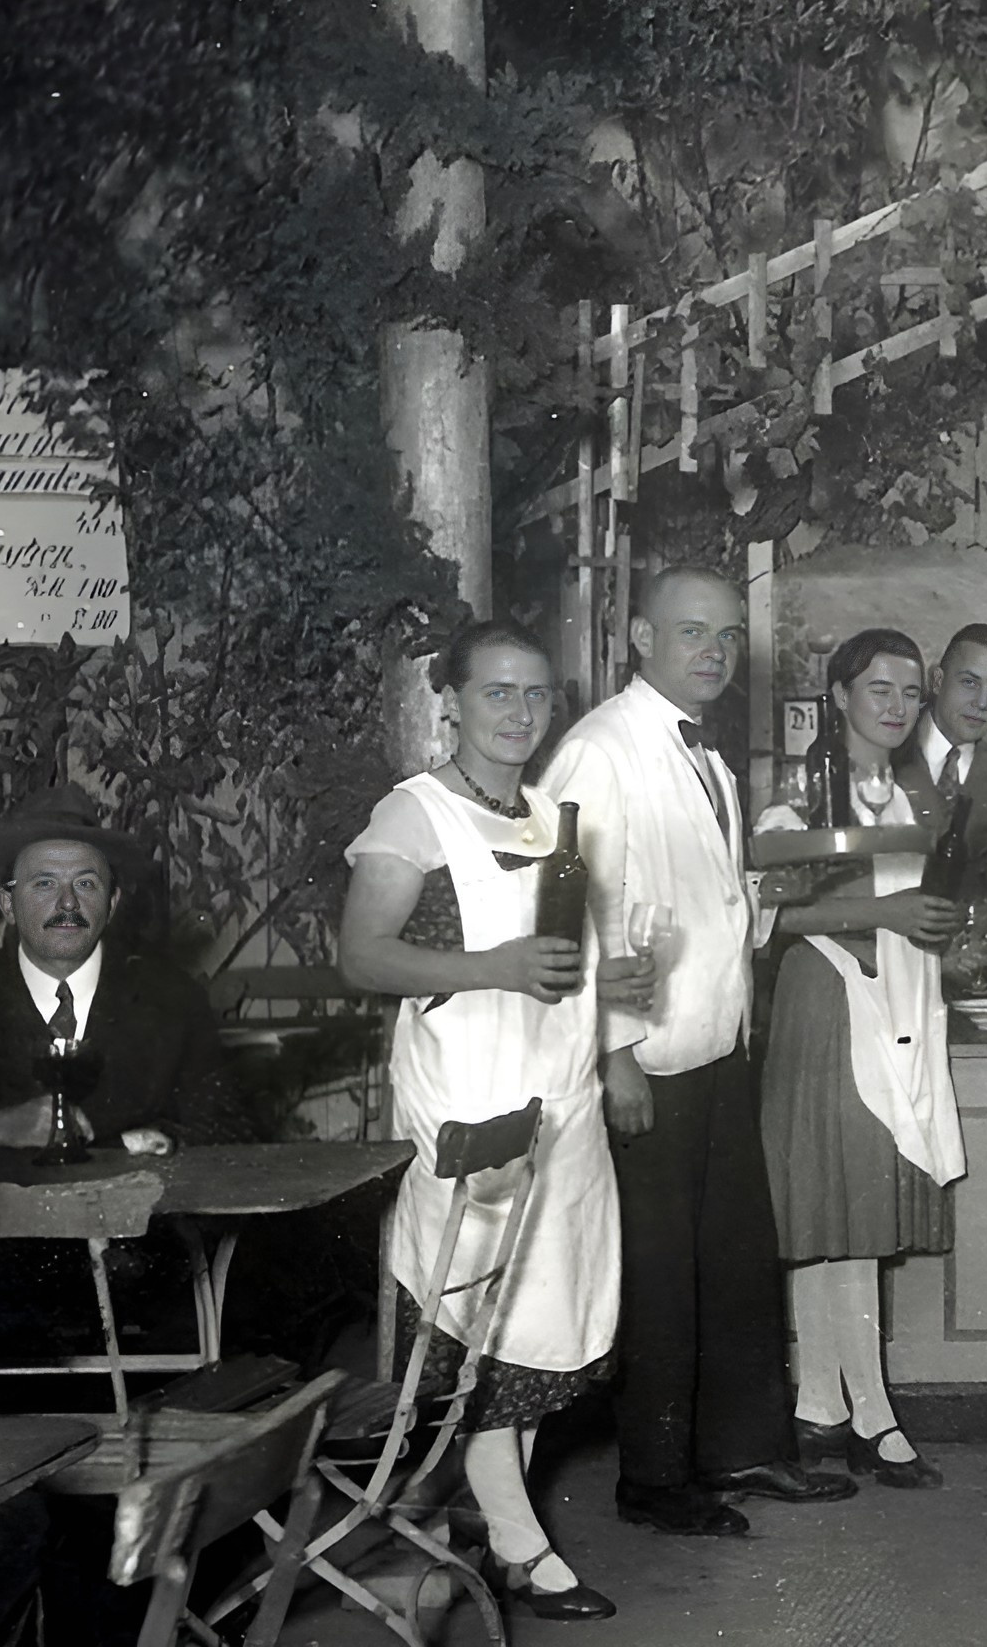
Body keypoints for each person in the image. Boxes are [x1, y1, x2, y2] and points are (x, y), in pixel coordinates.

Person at [540, 565, 856, 1538]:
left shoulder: (707, 756)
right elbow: (577, 913)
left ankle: (743, 1448)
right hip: (650, 1056)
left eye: (725, 636)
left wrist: (760, 901)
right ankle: (655, 1474)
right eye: (691, 632)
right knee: (661, 1274)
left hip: (717, 1045)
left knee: (732, 1260)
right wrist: (616, 1054)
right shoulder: (599, 750)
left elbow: (702, 898)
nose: (714, 652)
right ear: (640, 637)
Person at [339, 620, 625, 1620]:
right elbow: (362, 955)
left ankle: (496, 1519)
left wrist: (613, 984)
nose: (519, 712)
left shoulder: (551, 815)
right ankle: (518, 1540)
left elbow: (560, 965)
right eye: (497, 692)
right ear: (450, 703)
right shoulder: (413, 814)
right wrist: (491, 968)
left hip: (562, 1104)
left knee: (540, 1328)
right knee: (477, 1325)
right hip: (468, 1101)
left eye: (536, 694)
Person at [757, 629, 963, 1490]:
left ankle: (827, 1408)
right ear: (838, 696)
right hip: (829, 1001)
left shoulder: (913, 795)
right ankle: (861, 1412)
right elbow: (763, 915)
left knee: (850, 1216)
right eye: (879, 689)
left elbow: (923, 903)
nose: (897, 706)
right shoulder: (801, 797)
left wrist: (947, 934)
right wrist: (882, 917)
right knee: (835, 1212)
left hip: (902, 1001)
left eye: (911, 693)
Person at [0, 784, 228, 1157]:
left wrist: (147, 1141)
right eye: (44, 883)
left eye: (85, 883)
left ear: (111, 904)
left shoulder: (176, 1004)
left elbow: (225, 1133)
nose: (67, 903)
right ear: (8, 904)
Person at [902, 623, 987, 998]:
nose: (981, 703)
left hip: (952, 989)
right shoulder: (887, 748)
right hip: (872, 968)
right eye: (969, 683)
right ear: (937, 680)